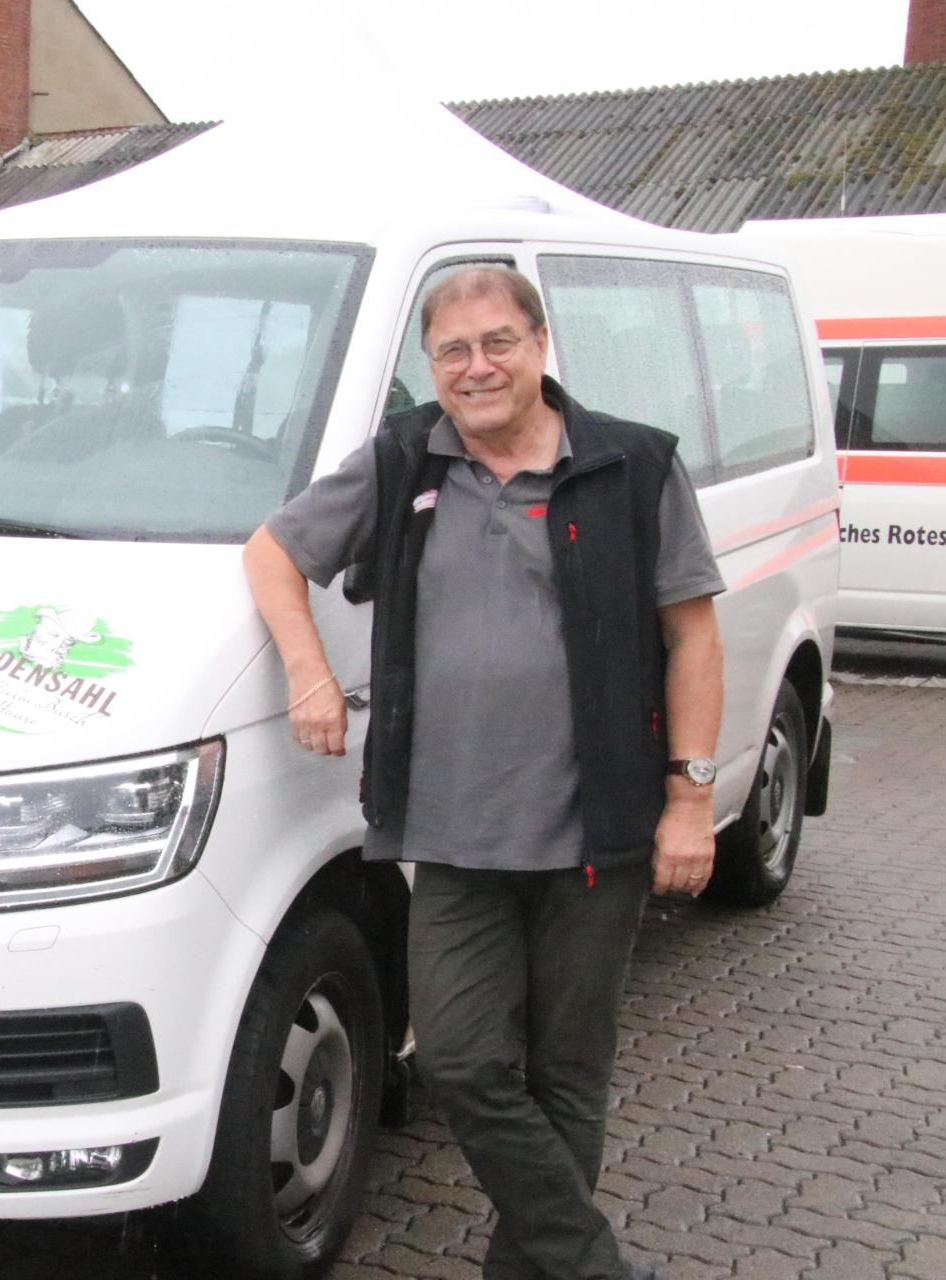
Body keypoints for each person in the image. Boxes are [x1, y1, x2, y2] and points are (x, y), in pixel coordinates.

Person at [243, 266, 725, 1280]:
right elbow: (273, 551)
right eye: (454, 351)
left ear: (541, 344)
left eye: (498, 341)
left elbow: (691, 634)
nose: (477, 367)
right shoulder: (403, 461)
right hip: (453, 833)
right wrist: (307, 671)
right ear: (432, 365)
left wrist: (689, 796)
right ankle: (590, 1261)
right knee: (461, 1059)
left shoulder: (633, 465)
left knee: (568, 1074)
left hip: (599, 833)